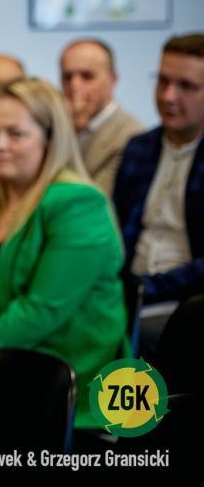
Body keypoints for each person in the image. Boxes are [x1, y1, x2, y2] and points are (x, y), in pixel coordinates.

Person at [0, 77, 125, 430]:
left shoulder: (78, 204)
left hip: (57, 372)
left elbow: (41, 312)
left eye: (15, 134)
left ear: (51, 140)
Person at [115, 33, 204, 347]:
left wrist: (143, 287)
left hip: (189, 300)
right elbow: (116, 230)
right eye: (163, 81)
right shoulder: (139, 147)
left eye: (186, 86)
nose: (168, 96)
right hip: (129, 293)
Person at [59, 38, 143, 196]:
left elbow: (96, 200)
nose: (74, 86)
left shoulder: (131, 137)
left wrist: (69, 132)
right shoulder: (57, 127)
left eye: (87, 76)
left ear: (112, 79)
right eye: (67, 77)